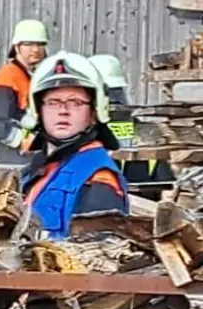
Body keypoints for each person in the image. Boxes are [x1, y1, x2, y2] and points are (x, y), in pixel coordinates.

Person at [21, 53, 130, 237]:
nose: (63, 111)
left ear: (94, 111)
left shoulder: (99, 179)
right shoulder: (38, 170)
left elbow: (97, 257)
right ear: (39, 110)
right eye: (53, 102)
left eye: (75, 103)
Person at [90, 53, 173, 201]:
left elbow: (166, 188)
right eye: (109, 93)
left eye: (116, 93)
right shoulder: (82, 136)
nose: (114, 101)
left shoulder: (148, 132)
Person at [0, 19, 49, 165]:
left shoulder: (36, 77)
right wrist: (21, 141)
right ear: (17, 47)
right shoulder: (7, 77)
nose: (35, 49)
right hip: (15, 158)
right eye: (29, 44)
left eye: (40, 44)